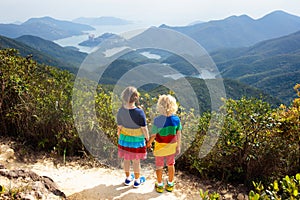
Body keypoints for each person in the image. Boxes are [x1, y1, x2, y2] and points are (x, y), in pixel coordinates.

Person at [147, 94, 182, 193]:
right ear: (173, 106)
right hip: (172, 147)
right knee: (171, 165)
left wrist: (148, 144)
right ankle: (170, 184)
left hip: (160, 147)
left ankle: (160, 185)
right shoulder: (176, 120)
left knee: (159, 166)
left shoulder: (157, 120)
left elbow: (153, 135)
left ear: (160, 106)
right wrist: (178, 146)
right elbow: (179, 134)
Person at [117, 86, 149, 188]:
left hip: (125, 139)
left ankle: (127, 179)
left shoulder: (121, 111)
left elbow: (119, 127)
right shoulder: (140, 112)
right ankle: (137, 180)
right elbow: (144, 128)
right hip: (137, 140)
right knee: (136, 161)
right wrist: (147, 138)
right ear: (136, 98)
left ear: (124, 97)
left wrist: (119, 136)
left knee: (126, 160)